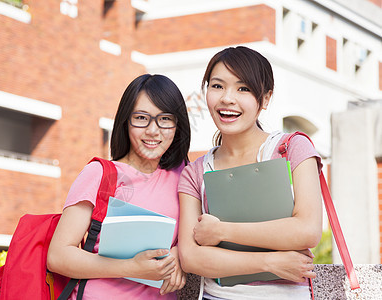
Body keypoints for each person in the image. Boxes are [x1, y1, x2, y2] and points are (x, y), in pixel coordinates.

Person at [178, 46, 323, 300]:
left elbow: (307, 230)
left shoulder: (291, 148)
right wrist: (269, 262)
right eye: (217, 86)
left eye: (243, 88)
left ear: (265, 99)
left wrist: (221, 232)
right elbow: (191, 257)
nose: (227, 98)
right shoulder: (195, 172)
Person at [47, 74, 191, 299]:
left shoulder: (185, 174)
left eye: (165, 119)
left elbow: (197, 234)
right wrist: (131, 267)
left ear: (178, 124)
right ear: (125, 121)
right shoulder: (100, 173)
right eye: (141, 118)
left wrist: (180, 255)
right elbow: (58, 256)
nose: (153, 131)